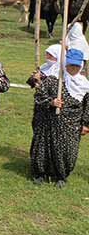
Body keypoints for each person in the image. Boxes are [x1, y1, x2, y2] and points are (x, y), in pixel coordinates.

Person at [30, 48, 89, 187]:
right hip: (48, 122)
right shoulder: (53, 79)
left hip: (71, 124)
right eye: (70, 65)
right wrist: (51, 102)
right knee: (44, 147)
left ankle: (61, 176)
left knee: (68, 151)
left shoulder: (85, 85)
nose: (72, 68)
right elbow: (39, 97)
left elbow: (88, 107)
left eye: (76, 65)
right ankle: (40, 173)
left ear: (80, 66)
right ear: (65, 64)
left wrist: (86, 124)